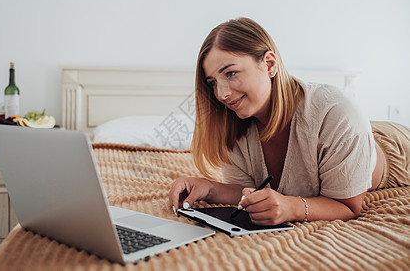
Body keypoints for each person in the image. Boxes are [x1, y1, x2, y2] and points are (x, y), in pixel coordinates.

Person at [169, 17, 410, 226]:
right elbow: (246, 192)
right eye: (212, 83)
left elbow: (348, 206)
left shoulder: (335, 112)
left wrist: (292, 208)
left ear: (269, 64)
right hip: (351, 137)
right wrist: (209, 188)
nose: (222, 94)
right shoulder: (233, 123)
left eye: (230, 73)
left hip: (396, 149)